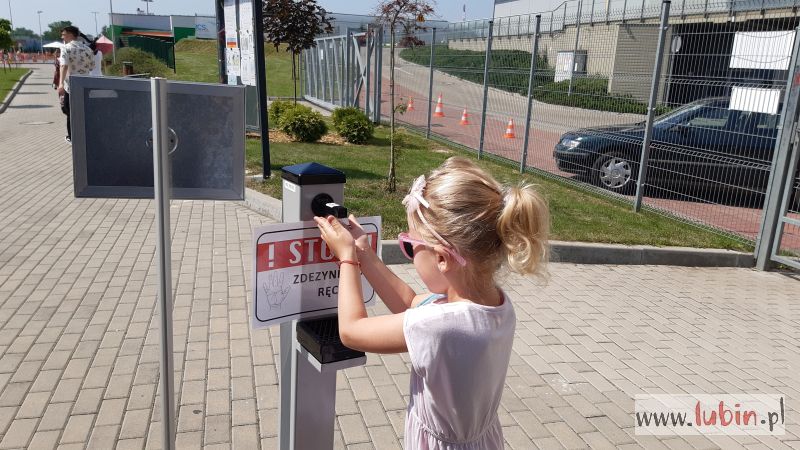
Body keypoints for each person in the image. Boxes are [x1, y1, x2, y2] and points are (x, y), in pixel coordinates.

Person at [314, 156, 550, 449]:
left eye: (410, 246)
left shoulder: (441, 326)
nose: (409, 254)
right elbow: (410, 302)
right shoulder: (494, 304)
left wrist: (347, 259)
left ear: (441, 258)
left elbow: (352, 331)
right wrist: (364, 253)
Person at [57, 26, 95, 144]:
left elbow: (63, 66)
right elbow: (92, 66)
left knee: (70, 112)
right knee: (84, 112)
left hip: (71, 86)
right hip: (85, 84)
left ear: (70, 34)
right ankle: (86, 135)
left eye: (63, 34)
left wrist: (60, 84)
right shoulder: (88, 49)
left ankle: (72, 137)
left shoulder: (65, 48)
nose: (62, 37)